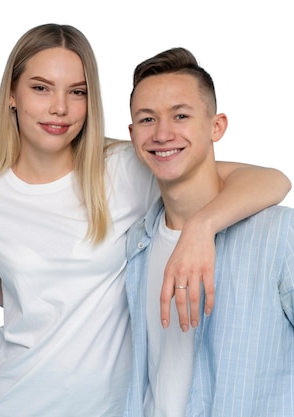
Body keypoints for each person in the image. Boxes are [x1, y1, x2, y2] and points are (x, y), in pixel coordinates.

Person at [0, 24, 291, 416]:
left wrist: (202, 227)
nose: (59, 107)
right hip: (12, 400)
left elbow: (267, 180)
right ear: (11, 94)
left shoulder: (126, 166)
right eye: (41, 88)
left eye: (77, 91)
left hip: (110, 408)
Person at [124, 47, 294, 416]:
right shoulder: (134, 245)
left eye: (180, 115)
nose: (163, 133)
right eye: (147, 119)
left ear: (216, 126)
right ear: (133, 134)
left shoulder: (278, 236)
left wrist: (202, 225)